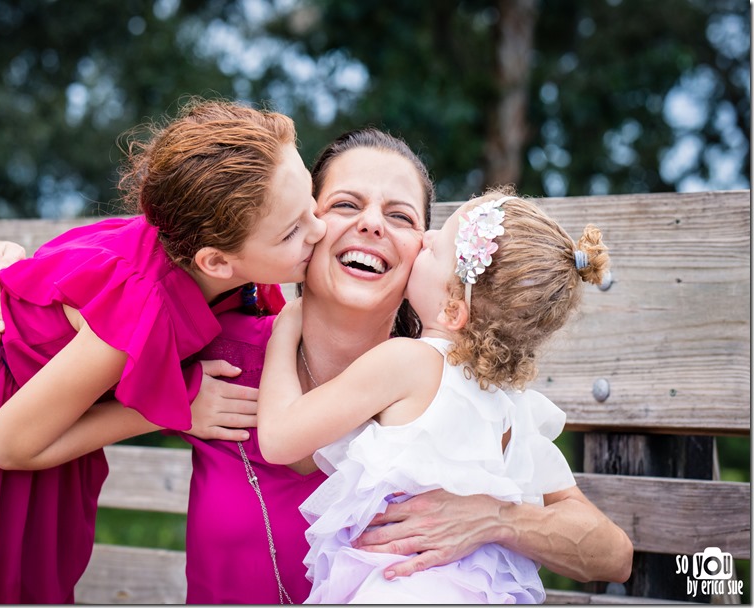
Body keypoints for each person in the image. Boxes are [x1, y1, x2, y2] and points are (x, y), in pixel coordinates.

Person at [0, 129, 633, 604]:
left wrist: (494, 519)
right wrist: (8, 262)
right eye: (343, 205)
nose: (370, 225)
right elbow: (129, 278)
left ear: (436, 268)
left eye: (399, 216)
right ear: (301, 230)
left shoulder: (451, 400)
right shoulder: (212, 349)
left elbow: (609, 553)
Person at [0, 98, 326, 604]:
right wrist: (177, 410)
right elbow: (8, 445)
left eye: (313, 203)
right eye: (294, 230)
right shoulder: (138, 309)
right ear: (216, 261)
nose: (318, 230)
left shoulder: (201, 248)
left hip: (41, 417)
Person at [257, 189, 609, 603]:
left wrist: (284, 332)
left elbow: (279, 438)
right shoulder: (511, 408)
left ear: (453, 311)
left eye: (436, 247)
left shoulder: (406, 362)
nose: (424, 239)